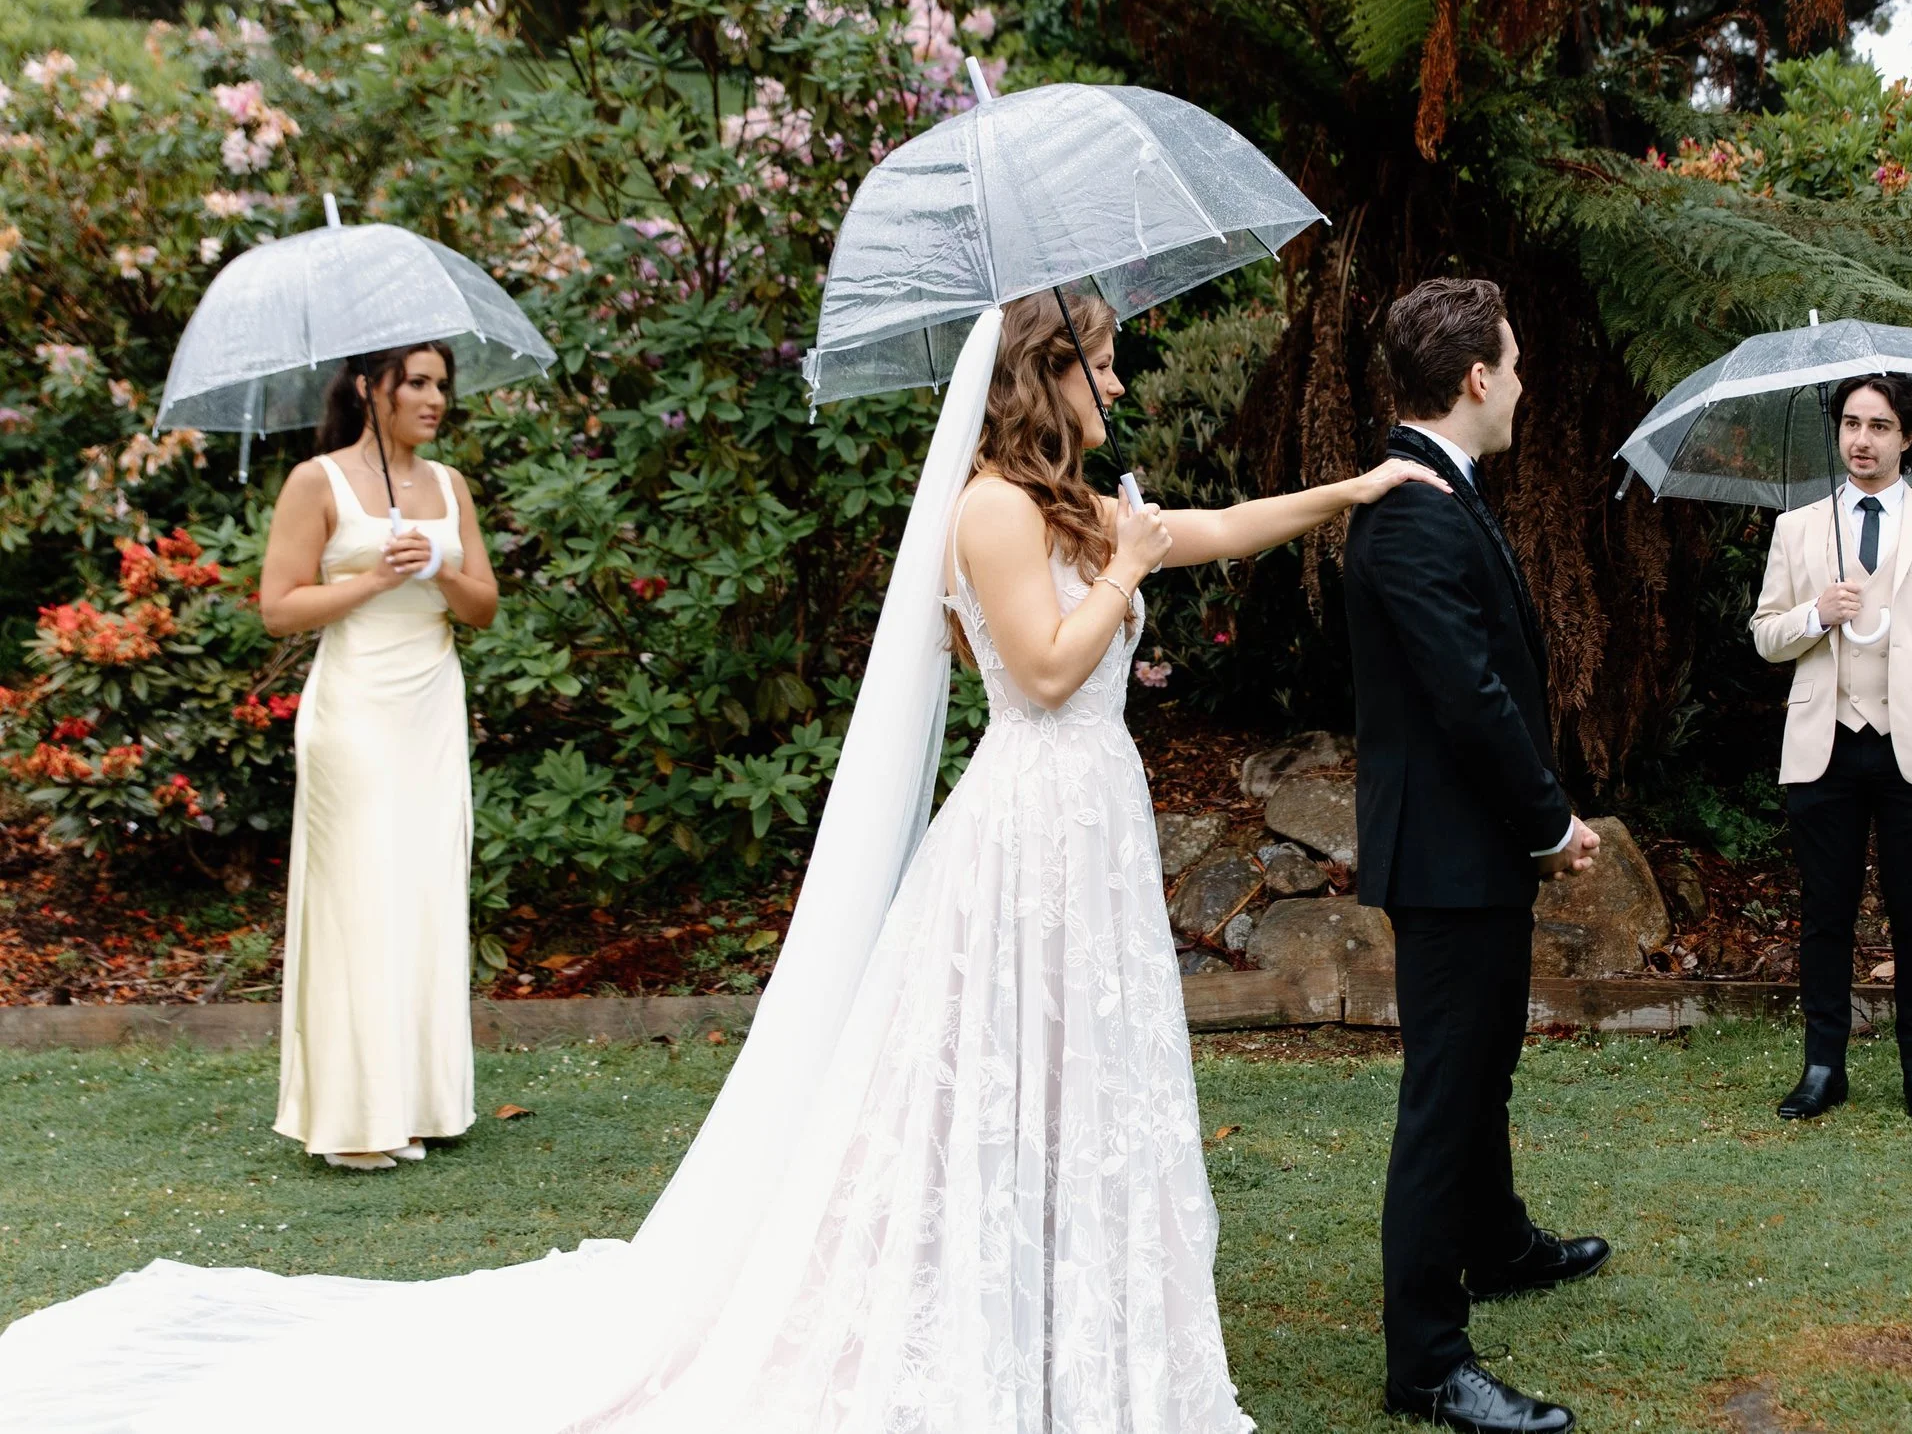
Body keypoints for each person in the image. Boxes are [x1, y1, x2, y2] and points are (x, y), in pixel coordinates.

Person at [0, 293, 1443, 1431]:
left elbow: (1217, 527)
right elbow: (1053, 670)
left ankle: (1066, 1306)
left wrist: (1353, 490)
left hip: (1092, 832)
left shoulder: (1076, 506)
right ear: (1043, 375)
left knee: (1083, 1086)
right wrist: (1125, 567)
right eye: (1103, 366)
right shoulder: (994, 510)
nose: (1118, 389)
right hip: (1024, 829)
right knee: (997, 1083)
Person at [1342, 277, 1609, 1434]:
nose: (1524, 380)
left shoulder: (1440, 487)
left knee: (1485, 1056)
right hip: (1451, 854)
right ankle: (1427, 1361)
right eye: (1516, 358)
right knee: (1445, 1096)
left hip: (1469, 850)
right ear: (1475, 379)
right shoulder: (1410, 509)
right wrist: (1550, 821)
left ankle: (1494, 1241)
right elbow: (1470, 697)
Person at [259, 342, 498, 1172]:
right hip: (355, 708)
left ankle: (421, 1103)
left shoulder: (448, 486)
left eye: (442, 385)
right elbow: (279, 609)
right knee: (360, 896)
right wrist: (371, 577)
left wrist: (437, 563)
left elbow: (485, 607)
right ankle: (357, 1119)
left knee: (426, 894)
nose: (435, 398)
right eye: (418, 383)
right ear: (371, 388)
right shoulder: (314, 482)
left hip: (430, 706)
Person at [1749, 372, 1912, 1130]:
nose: (1861, 439)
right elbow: (1764, 635)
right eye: (1851, 423)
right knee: (1824, 916)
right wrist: (1815, 613)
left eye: (1879, 426)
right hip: (1824, 745)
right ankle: (1823, 1067)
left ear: (1908, 437)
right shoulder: (1798, 527)